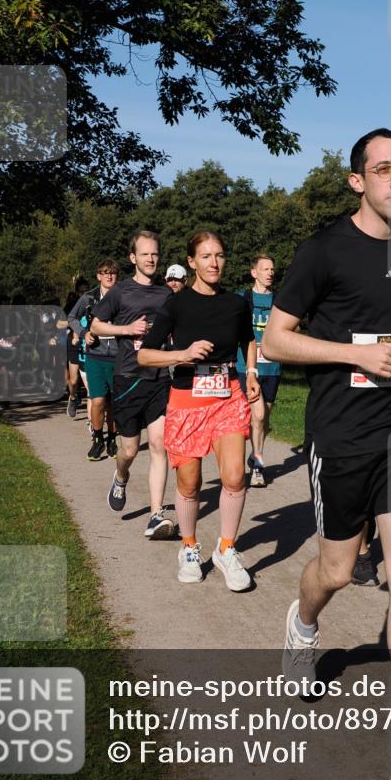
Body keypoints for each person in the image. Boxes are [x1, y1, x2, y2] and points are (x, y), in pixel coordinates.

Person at [262, 128, 391, 780]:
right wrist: (353, 353)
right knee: (338, 570)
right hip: (343, 438)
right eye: (384, 169)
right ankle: (304, 625)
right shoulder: (324, 251)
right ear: (358, 181)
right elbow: (275, 342)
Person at [139, 230, 260, 590]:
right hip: (187, 398)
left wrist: (251, 372)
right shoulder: (176, 304)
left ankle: (227, 548)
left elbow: (248, 339)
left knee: (235, 476)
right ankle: (189, 547)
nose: (214, 263)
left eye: (220, 255)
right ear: (191, 262)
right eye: (206, 256)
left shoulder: (237, 303)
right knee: (189, 483)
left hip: (227, 396)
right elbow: (145, 354)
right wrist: (182, 353)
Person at [91, 231, 175, 539]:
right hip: (128, 377)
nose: (151, 259)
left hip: (160, 378)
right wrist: (128, 329)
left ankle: (156, 515)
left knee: (159, 444)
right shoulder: (120, 291)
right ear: (133, 258)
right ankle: (121, 475)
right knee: (128, 449)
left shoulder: (167, 294)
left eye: (155, 254)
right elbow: (97, 326)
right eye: (145, 254)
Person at [236, 253, 282, 487]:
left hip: (273, 368)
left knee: (263, 420)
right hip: (247, 368)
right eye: (265, 269)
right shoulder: (242, 298)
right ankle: (258, 467)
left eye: (272, 269)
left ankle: (255, 454)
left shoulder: (280, 301)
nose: (270, 273)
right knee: (259, 415)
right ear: (254, 273)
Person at [68, 259, 120, 461]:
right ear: (98, 276)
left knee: (113, 402)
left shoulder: (124, 297)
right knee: (97, 400)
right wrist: (83, 333)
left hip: (117, 356)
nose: (109, 276)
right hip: (95, 355)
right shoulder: (88, 298)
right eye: (105, 273)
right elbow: (72, 317)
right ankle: (98, 439)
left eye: (113, 273)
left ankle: (112, 439)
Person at [63, 277, 89, 418]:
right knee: (73, 380)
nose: (84, 294)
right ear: (77, 292)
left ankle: (95, 411)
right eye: (81, 292)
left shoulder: (93, 302)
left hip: (89, 343)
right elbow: (66, 321)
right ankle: (72, 398)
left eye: (86, 291)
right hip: (74, 343)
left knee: (90, 382)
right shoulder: (72, 304)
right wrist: (73, 335)